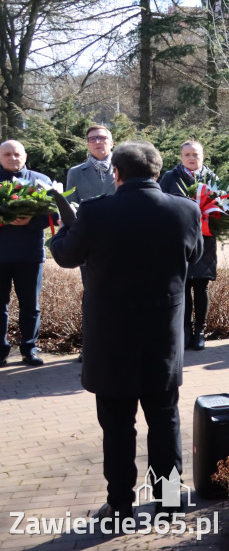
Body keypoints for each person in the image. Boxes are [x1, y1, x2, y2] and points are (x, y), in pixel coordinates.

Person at [49, 141, 203, 523]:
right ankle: (168, 498)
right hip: (163, 335)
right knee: (164, 418)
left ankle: (120, 504)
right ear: (156, 172)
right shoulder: (186, 209)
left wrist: (56, 233)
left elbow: (67, 256)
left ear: (116, 174)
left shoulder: (96, 212)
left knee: (117, 425)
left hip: (112, 336)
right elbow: (194, 255)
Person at [159, 141, 218, 351]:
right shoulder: (169, 177)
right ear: (181, 157)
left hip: (205, 240)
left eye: (195, 154)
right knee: (182, 286)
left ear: (203, 156)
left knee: (201, 286)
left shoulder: (212, 177)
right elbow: (161, 204)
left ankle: (200, 331)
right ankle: (184, 330)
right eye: (187, 155)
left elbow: (222, 205)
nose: (192, 158)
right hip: (178, 240)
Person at [0, 140, 53, 367]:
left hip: (30, 255)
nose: (13, 158)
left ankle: (29, 349)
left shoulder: (41, 180)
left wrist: (30, 220)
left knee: (30, 305)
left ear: (25, 156)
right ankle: (0, 351)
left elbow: (52, 212)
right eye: (7, 154)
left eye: (17, 154)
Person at [66, 125, 116, 205]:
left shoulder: (125, 168)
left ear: (111, 143)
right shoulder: (75, 173)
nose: (97, 142)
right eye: (92, 139)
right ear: (88, 145)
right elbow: (71, 208)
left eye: (102, 138)